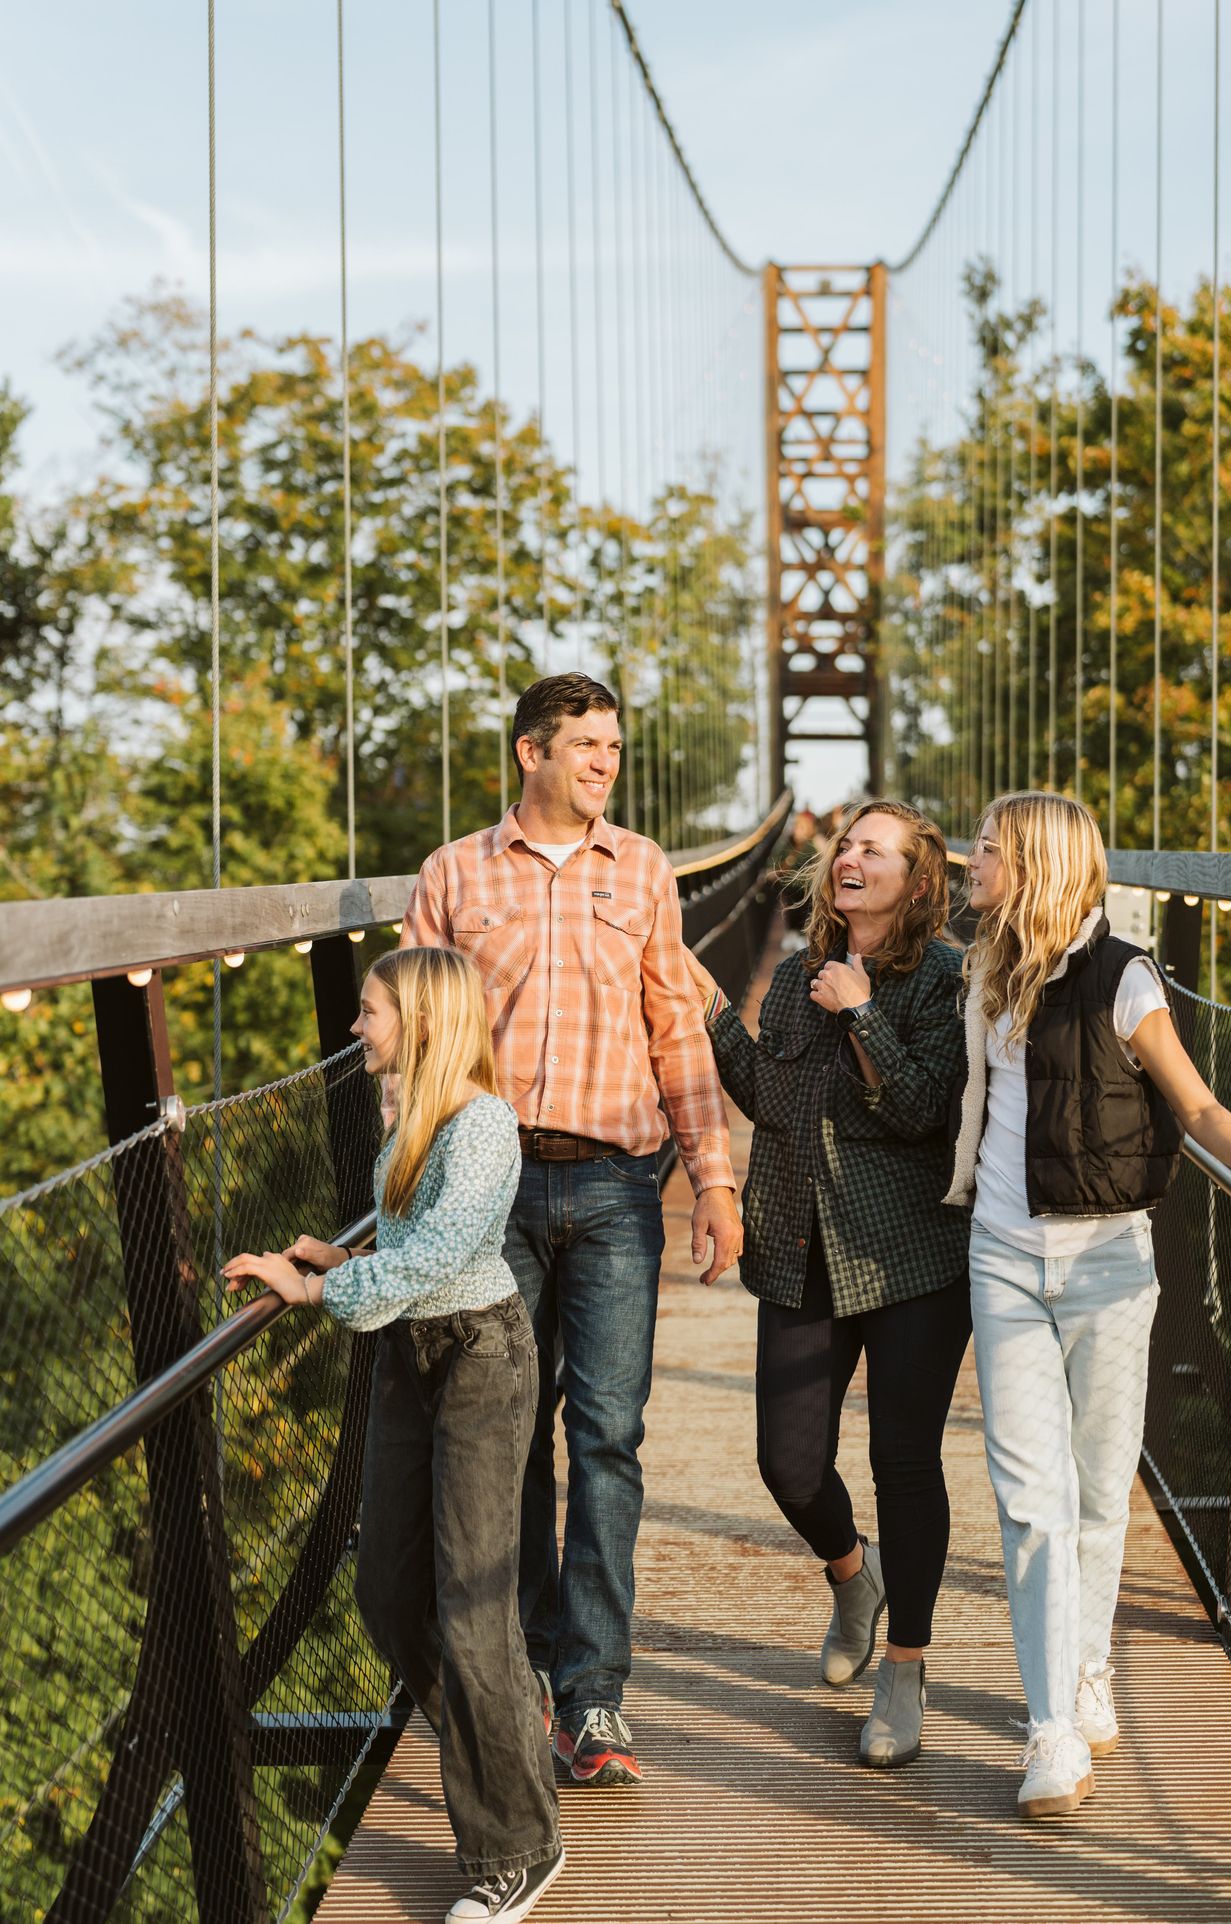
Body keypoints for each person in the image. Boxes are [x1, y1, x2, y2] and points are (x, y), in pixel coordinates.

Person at [948, 791, 1231, 1821]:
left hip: (1106, 1266)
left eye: (984, 850)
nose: (967, 863)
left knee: (1092, 1491)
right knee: (1028, 1503)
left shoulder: (1123, 977)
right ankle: (1048, 1727)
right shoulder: (984, 966)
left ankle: (1086, 1672)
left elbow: (1196, 1105)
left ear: (1030, 864)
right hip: (1000, 1258)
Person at [399, 672, 743, 1788]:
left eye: (613, 748)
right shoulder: (452, 874)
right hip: (486, 1191)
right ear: (527, 755)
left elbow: (677, 1030)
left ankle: (593, 1698)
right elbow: (409, 1042)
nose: (603, 763)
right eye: (584, 746)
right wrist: (401, 1198)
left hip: (614, 1189)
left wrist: (715, 1179)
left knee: (605, 1436)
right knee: (504, 1437)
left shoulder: (641, 870)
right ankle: (527, 1668)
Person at [223, 947, 563, 1924]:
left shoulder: (483, 1124)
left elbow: (449, 1253)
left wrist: (319, 1288)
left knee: (471, 1605)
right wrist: (339, 1254)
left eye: (368, 1012)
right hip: (412, 1360)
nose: (355, 1029)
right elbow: (413, 1243)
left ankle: (516, 1846)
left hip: (479, 1364)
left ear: (417, 1021)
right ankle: (502, 1728)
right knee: (386, 1594)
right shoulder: (412, 1118)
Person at [684, 800, 970, 1770]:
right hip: (798, 1244)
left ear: (918, 880)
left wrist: (862, 1014)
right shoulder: (797, 975)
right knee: (787, 1463)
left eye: (873, 849)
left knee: (903, 1465)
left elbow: (923, 1109)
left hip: (910, 1258)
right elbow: (771, 1098)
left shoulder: (944, 979)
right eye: (845, 843)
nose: (848, 857)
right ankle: (853, 1577)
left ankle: (904, 1665)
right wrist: (714, 1016)